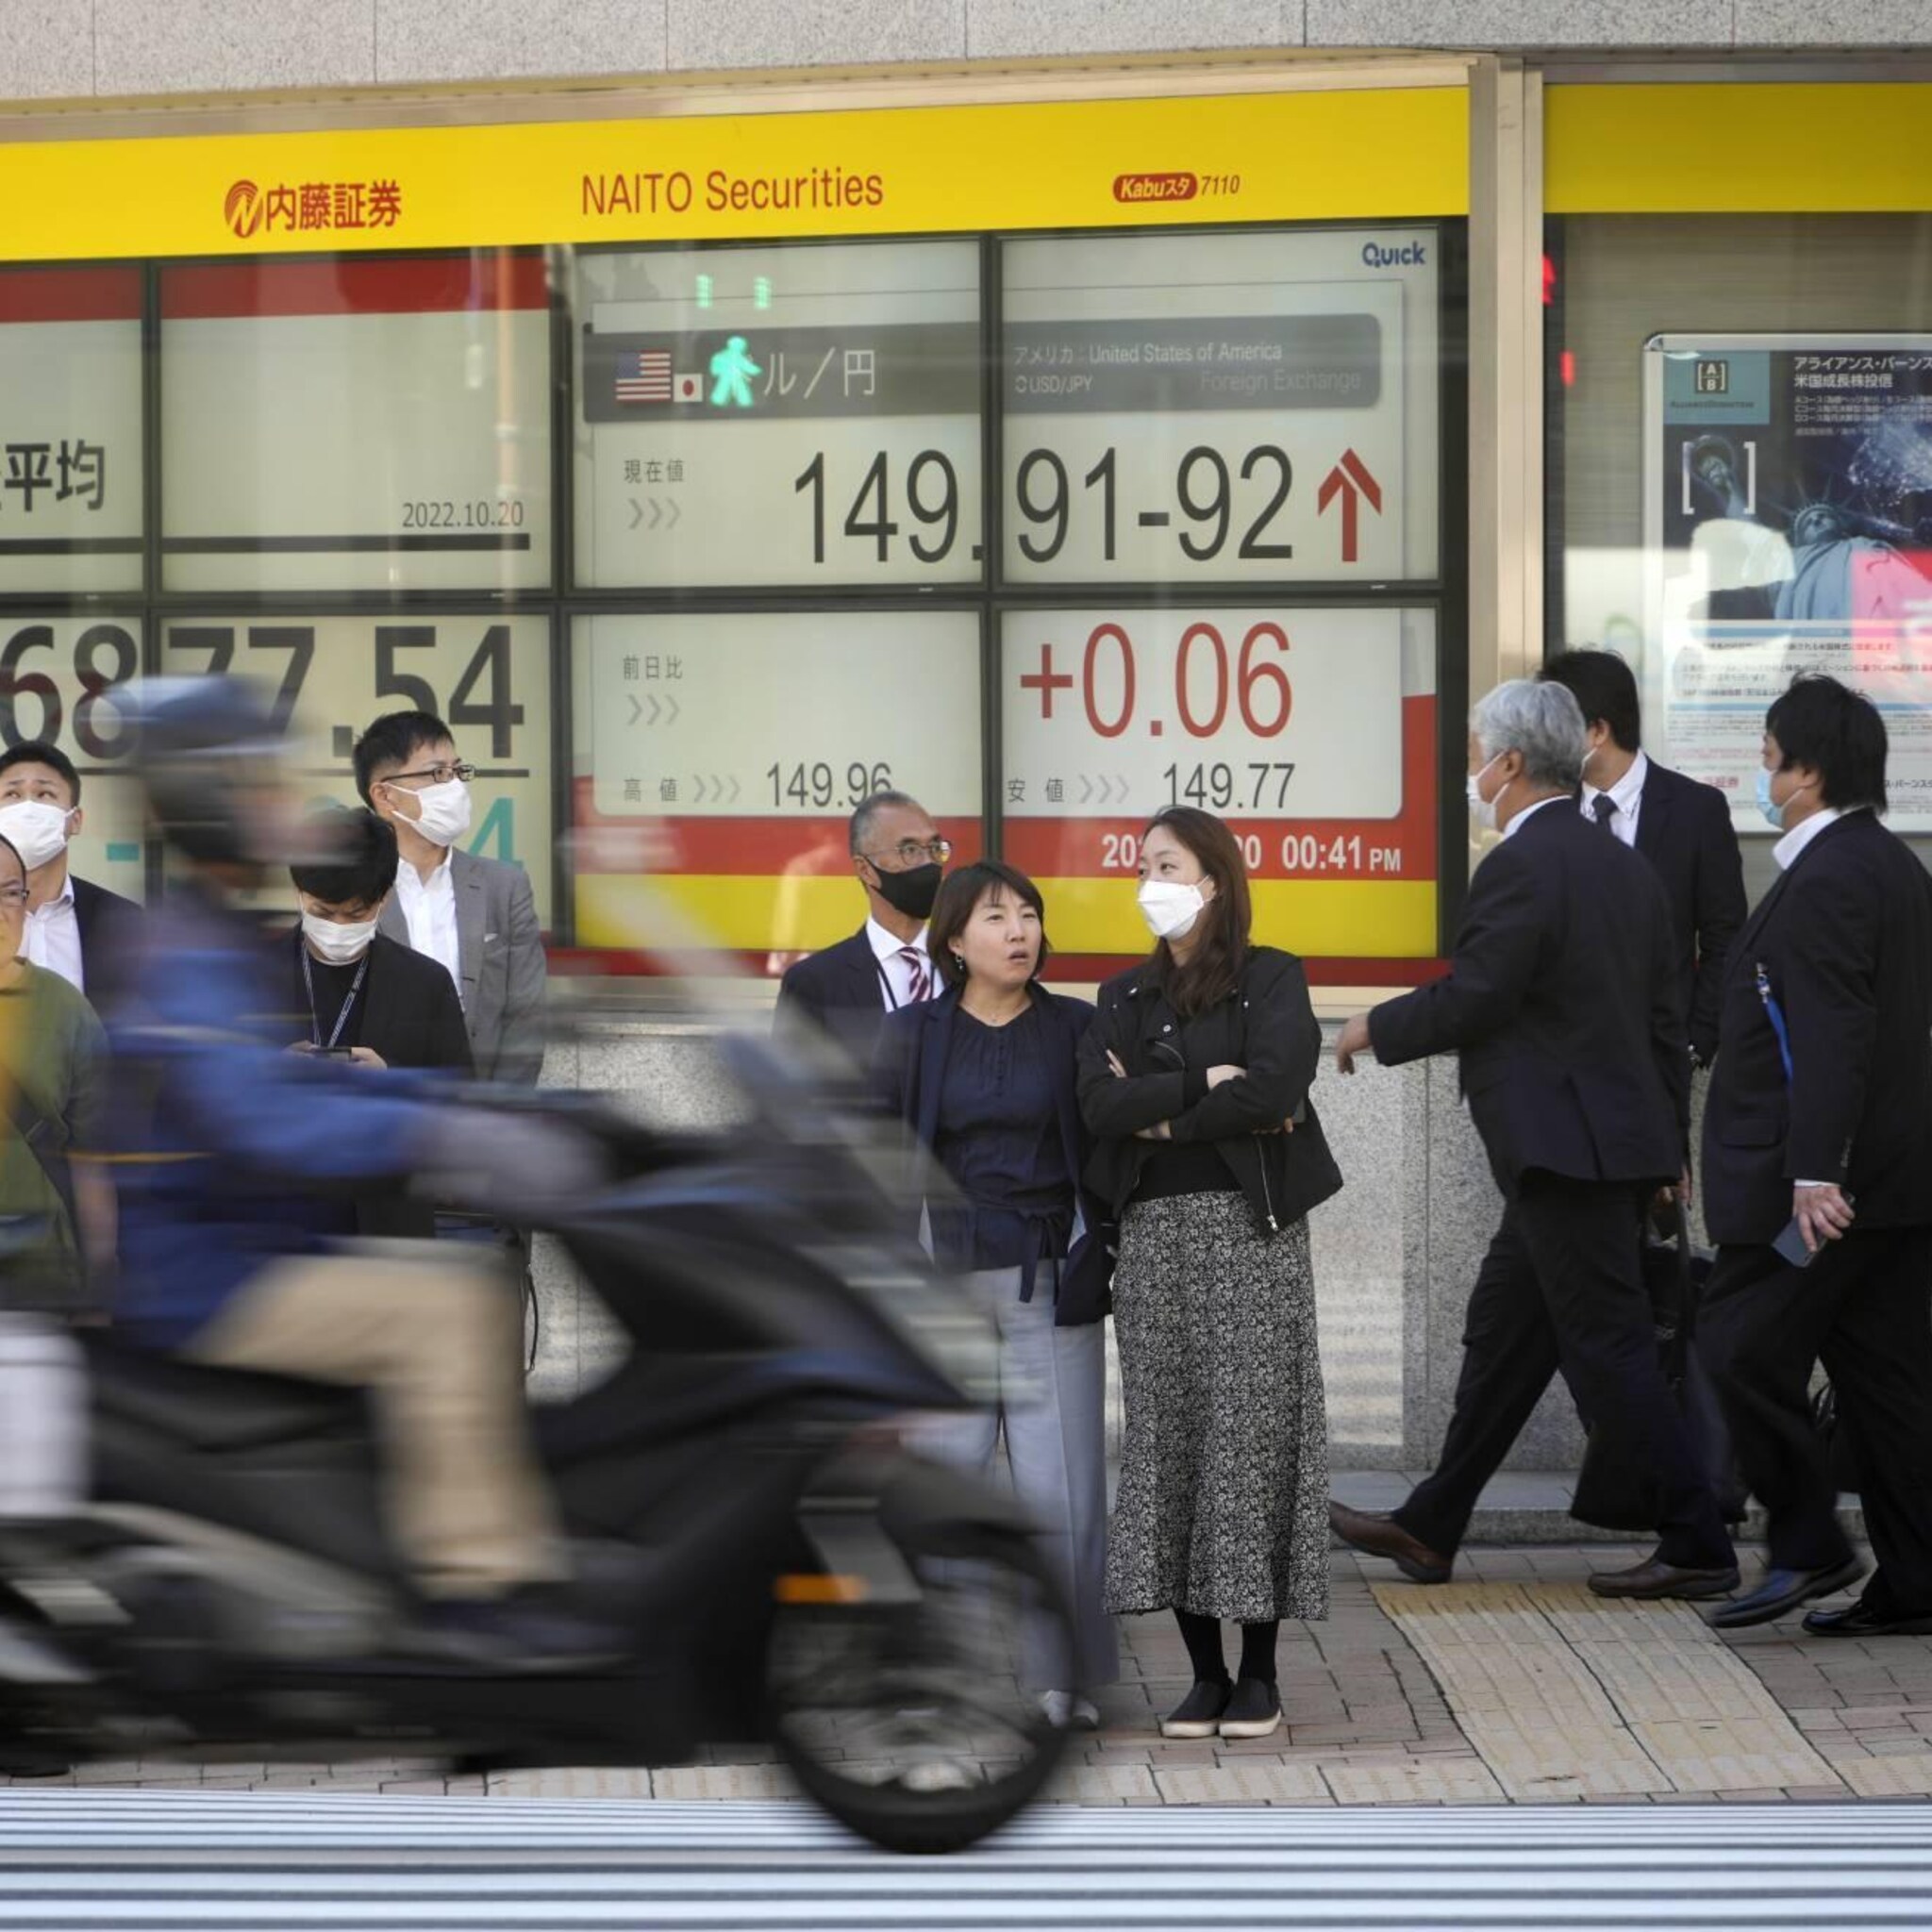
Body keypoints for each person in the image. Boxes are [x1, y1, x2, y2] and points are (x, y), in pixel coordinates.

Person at [108, 679, 611, 1665]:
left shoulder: (210, 930)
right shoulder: (184, 949)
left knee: (445, 1287)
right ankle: (477, 1596)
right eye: (252, 781)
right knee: (450, 1309)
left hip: (246, 1250)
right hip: (207, 1275)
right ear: (202, 793)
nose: (274, 804)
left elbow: (309, 1092)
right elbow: (260, 1113)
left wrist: (459, 1110)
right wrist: (432, 1131)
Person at [1328, 679, 1738, 1602]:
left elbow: (1480, 991)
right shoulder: (1623, 866)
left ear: (1508, 763)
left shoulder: (1518, 864)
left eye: (1478, 750)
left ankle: (1697, 1535)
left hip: (1563, 1152)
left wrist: (1373, 1027)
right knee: (1503, 1333)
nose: (1472, 767)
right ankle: (1431, 1523)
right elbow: (1662, 1020)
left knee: (1609, 1345)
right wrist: (1664, 1150)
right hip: (1598, 1149)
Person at [1078, 807, 1341, 1743]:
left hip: (1251, 1235)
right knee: (1172, 1440)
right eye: (1141, 864)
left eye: (1166, 863)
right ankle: (1201, 1672)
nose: (1148, 878)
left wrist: (1164, 1115)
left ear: (1213, 880)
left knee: (1251, 1442)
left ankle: (1259, 1672)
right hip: (1152, 1240)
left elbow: (1276, 1088)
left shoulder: (1271, 976)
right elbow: (1101, 1106)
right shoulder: (1119, 995)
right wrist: (1199, 1092)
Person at [1698, 675, 1932, 1634]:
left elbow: (1834, 1034)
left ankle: (1805, 1539)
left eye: (1765, 758)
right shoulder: (1894, 867)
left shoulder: (1831, 876)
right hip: (1891, 1187)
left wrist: (1813, 1173)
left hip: (1818, 1200)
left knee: (1731, 1344)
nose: (1760, 773)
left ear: (1806, 771)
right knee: (1886, 1390)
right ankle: (1915, 1582)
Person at [873, 860, 1116, 1731]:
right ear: (954, 941)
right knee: (941, 1487)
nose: (1019, 932)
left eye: (1029, 916)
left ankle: (1067, 1680)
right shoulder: (912, 1034)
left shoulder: (1079, 1030)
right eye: (997, 918)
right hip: (941, 1290)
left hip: (1048, 1282)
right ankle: (933, 1674)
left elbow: (1115, 1144)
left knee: (1065, 1490)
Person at [1538, 649, 1746, 1074]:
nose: (1542, 742)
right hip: (1560, 1066)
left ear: (1597, 731)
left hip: (1657, 1061)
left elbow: (1725, 938)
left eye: (1554, 728)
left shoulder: (1696, 810)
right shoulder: (1546, 811)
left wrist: (1696, 1043)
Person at [285, 805, 474, 1241]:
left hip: (388, 1232)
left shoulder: (424, 984)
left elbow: (462, 1116)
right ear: (298, 891)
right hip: (280, 1232)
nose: (338, 927)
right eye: (322, 912)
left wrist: (394, 1086)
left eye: (355, 915)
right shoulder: (250, 975)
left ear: (384, 898)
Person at [0, 829, 109, 1526]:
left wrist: (101, 1286)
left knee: (36, 1507)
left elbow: (96, 1161)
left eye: (11, 894)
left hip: (39, 1288)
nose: (1, 911)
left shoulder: (65, 1009)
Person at [355, 711, 546, 1086]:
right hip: (382, 1110)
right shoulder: (355, 891)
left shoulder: (504, 887)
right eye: (437, 773)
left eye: (457, 771)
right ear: (385, 795)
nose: (455, 785)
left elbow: (527, 1018)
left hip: (482, 1114)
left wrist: (499, 1114)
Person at [775, 791, 949, 1067]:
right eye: (910, 850)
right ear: (865, 869)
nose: (928, 862)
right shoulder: (815, 984)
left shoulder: (969, 967)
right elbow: (790, 1101)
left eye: (934, 848)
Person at [0, 741, 144, 1007]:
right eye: (13, 795)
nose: (28, 808)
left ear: (74, 820)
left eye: (44, 794)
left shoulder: (124, 922)